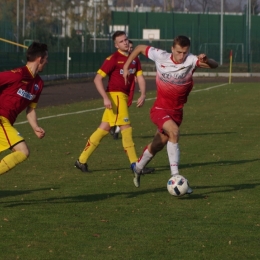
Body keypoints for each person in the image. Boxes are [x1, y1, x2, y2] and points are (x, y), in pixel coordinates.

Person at [123, 35, 218, 190]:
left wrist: (206, 60)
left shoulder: (191, 60)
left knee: (157, 145)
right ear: (172, 49)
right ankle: (175, 176)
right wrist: (127, 66)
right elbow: (140, 48)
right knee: (174, 132)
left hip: (177, 112)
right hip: (159, 109)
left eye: (185, 53)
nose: (181, 56)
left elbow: (215, 65)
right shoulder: (161, 56)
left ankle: (138, 168)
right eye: (179, 52)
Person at [74, 31, 154, 175]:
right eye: (121, 41)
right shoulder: (113, 59)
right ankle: (136, 165)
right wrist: (105, 97)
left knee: (102, 130)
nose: (125, 42)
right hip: (115, 97)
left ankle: (81, 160)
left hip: (122, 98)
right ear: (116, 45)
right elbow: (97, 79)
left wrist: (143, 94)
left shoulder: (134, 59)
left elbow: (140, 78)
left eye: (126, 40)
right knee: (126, 130)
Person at [0, 42, 48, 175]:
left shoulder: (38, 83)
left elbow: (30, 109)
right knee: (23, 151)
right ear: (40, 59)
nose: (47, 62)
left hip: (6, 122)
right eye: (46, 59)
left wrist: (35, 127)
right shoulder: (18, 75)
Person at [109, 40, 135, 140]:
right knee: (121, 113)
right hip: (119, 91)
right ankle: (116, 129)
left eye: (132, 48)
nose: (130, 49)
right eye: (129, 47)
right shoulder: (117, 58)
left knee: (124, 109)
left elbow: (137, 73)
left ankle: (114, 128)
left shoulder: (135, 60)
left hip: (130, 88)